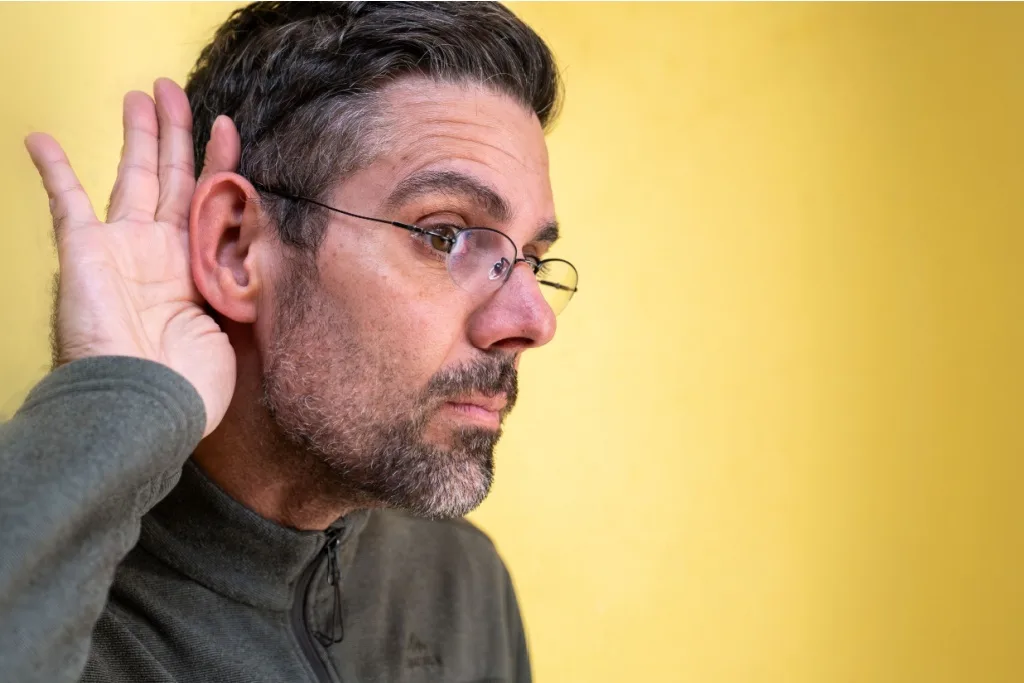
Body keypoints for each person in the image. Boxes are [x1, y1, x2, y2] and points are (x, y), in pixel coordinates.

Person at [0, 2, 578, 681]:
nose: (534, 321)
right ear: (236, 247)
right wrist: (111, 402)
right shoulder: (85, 621)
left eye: (531, 260)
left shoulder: (462, 581)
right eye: (445, 235)